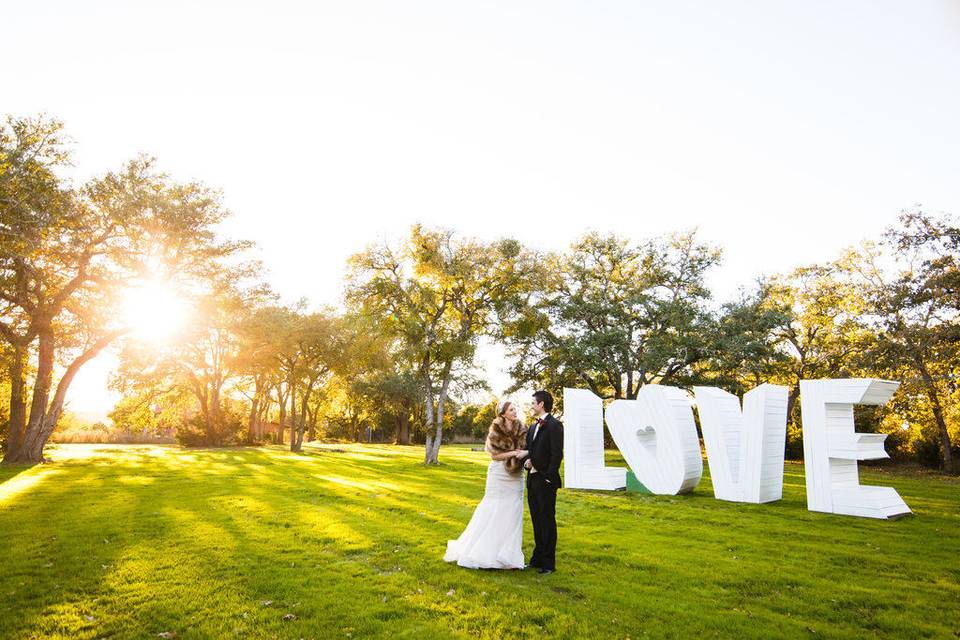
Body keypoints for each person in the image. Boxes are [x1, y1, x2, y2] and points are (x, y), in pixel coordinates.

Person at [443, 400, 529, 569]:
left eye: (515, 409)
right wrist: (514, 453)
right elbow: (495, 456)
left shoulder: (522, 428)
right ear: (503, 413)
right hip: (499, 474)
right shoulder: (495, 429)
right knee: (493, 509)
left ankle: (508, 555)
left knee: (513, 512)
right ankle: (484, 552)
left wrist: (522, 455)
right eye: (511, 409)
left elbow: (528, 447)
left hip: (516, 476)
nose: (514, 411)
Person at [521, 389, 563, 574]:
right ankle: (537, 559)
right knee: (537, 520)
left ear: (541, 404)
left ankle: (548, 564)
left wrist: (547, 476)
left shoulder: (555, 425)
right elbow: (527, 450)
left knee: (547, 521)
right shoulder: (532, 427)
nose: (531, 406)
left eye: (532, 403)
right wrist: (527, 463)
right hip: (532, 480)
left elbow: (556, 455)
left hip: (545, 481)